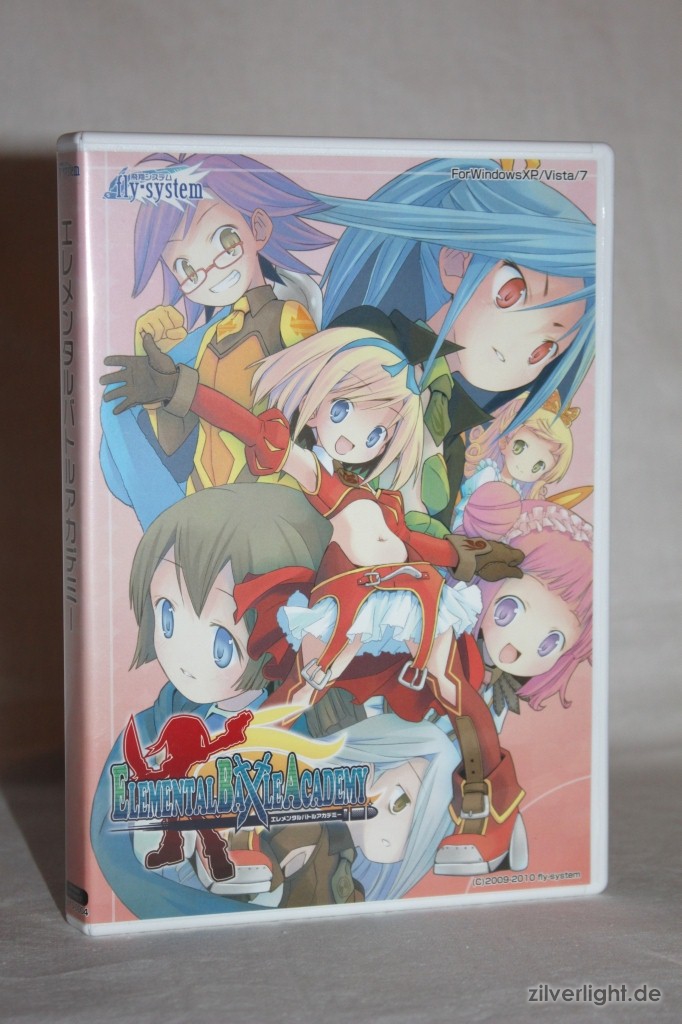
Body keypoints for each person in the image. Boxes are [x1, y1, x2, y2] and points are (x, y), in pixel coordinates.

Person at [102, 325, 528, 874]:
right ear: (318, 399)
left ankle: (492, 810)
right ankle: (244, 825)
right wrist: (183, 391)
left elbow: (418, 545)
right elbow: (252, 429)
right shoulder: (323, 480)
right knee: (295, 698)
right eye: (342, 410)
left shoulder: (388, 502)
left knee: (452, 689)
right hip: (350, 605)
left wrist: (471, 557)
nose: (354, 438)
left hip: (414, 594)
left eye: (378, 431)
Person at [90, 483, 333, 920]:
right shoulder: (149, 727)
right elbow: (112, 846)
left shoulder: (303, 729)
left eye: (221, 642)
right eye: (167, 615)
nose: (184, 657)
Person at [313, 158, 596, 526]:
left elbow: (433, 528)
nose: (515, 348)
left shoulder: (455, 438)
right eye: (511, 294)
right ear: (455, 263)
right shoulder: (366, 345)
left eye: (545, 349)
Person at [99, 152, 333, 529]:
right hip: (209, 511)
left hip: (270, 508)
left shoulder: (287, 319)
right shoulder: (210, 337)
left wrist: (177, 386)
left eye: (224, 241)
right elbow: (176, 450)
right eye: (186, 268)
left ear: (258, 229)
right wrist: (158, 387)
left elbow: (310, 421)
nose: (207, 272)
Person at [451, 391, 579, 530]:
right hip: (465, 527)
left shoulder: (518, 494)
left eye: (538, 466)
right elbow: (470, 504)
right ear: (505, 442)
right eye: (520, 447)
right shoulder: (487, 475)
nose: (524, 465)